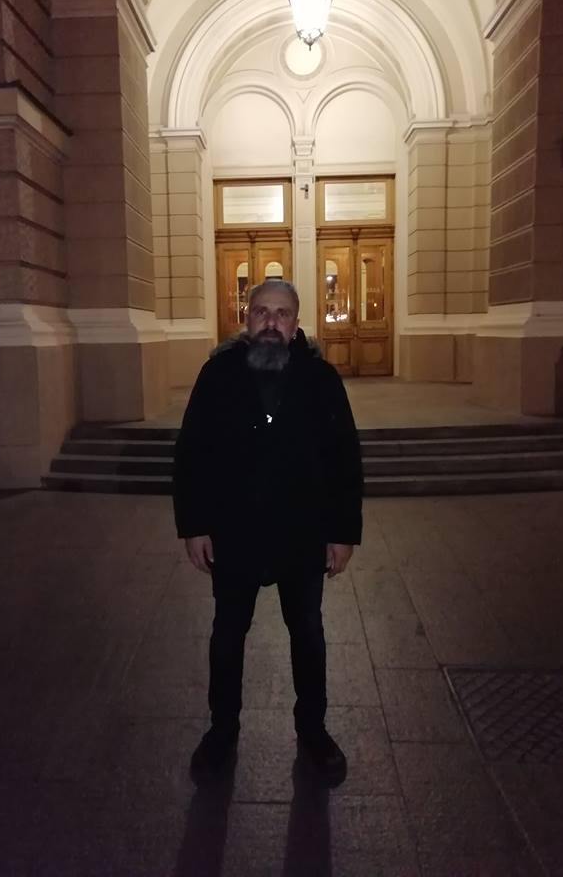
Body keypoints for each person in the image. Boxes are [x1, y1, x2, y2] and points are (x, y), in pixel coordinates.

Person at [172, 279, 363, 785]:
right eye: (262, 312)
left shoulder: (321, 378)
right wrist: (194, 525)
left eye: (282, 314)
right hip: (234, 533)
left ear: (296, 323)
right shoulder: (218, 375)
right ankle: (222, 730)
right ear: (247, 317)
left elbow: (345, 458)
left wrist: (343, 533)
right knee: (227, 635)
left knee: (308, 633)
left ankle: (313, 731)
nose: (272, 323)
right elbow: (191, 453)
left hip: (302, 534)